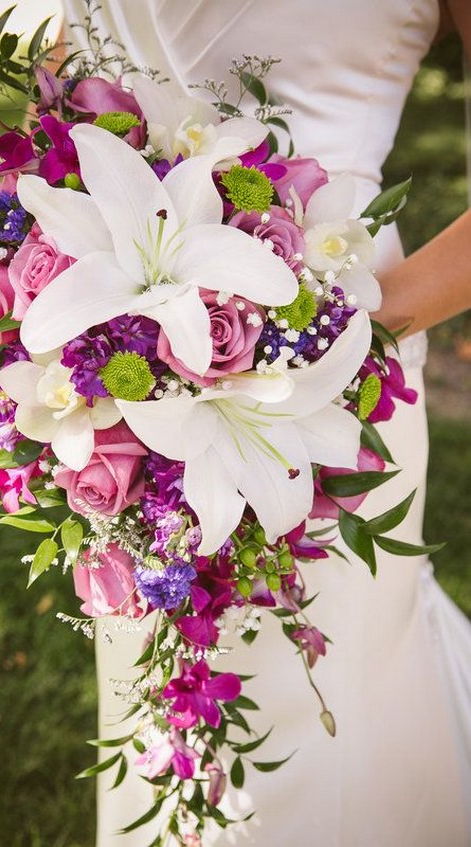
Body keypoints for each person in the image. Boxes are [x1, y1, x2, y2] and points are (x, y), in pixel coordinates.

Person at [59, 1, 471, 844]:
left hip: (344, 356)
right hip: (122, 353)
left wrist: (332, 341)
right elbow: (75, 83)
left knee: (335, 671)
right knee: (159, 670)